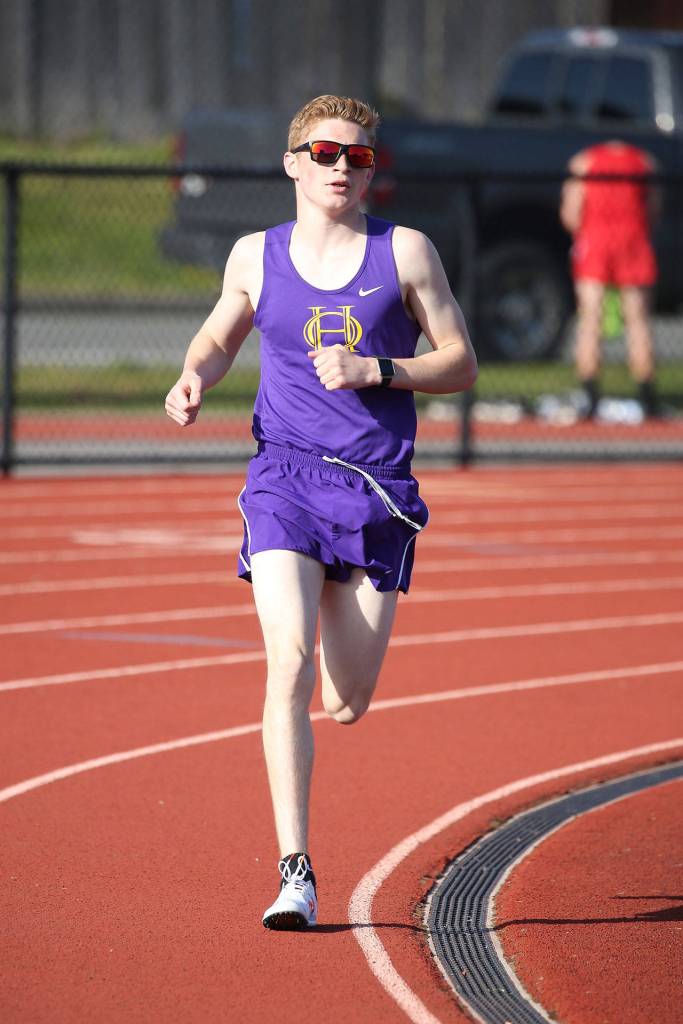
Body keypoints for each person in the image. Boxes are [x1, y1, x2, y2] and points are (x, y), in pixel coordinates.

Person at [165, 95, 477, 930]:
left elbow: (459, 362)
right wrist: (194, 373)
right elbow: (219, 337)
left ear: (373, 170)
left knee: (345, 700)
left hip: (375, 491)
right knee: (289, 658)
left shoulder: (404, 251)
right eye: (327, 152)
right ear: (294, 161)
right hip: (285, 479)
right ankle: (295, 871)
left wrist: (377, 370)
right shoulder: (253, 255)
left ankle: (343, 624)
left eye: (359, 157)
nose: (343, 167)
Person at [560, 139, 660, 418]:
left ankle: (590, 396)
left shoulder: (584, 161)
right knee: (638, 320)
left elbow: (571, 211)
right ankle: (647, 398)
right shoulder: (645, 161)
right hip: (633, 239)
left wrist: (583, 234)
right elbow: (653, 208)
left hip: (596, 239)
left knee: (590, 318)